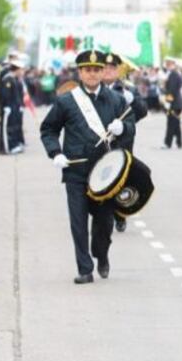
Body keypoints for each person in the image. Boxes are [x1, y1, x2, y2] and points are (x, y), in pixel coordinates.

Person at [39, 50, 136, 283]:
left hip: (105, 174)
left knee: (104, 223)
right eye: (87, 70)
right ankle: (85, 269)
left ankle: (101, 255)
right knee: (78, 223)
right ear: (80, 72)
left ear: (103, 71)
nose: (92, 74)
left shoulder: (116, 100)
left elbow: (130, 124)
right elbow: (48, 129)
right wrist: (56, 153)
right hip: (76, 172)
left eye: (96, 69)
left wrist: (123, 129)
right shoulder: (66, 101)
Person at [101, 53, 148, 233]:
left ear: (118, 70)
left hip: (123, 140)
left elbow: (142, 112)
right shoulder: (93, 89)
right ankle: (103, 214)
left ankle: (120, 215)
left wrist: (133, 100)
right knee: (102, 177)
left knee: (121, 178)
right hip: (102, 140)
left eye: (112, 68)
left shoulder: (127, 89)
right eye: (104, 68)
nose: (108, 71)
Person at [0, 58, 26, 154]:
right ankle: (7, 147)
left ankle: (13, 145)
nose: (22, 72)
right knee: (8, 128)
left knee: (13, 126)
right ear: (17, 69)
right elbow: (5, 94)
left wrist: (20, 105)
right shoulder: (8, 79)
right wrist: (6, 106)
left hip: (14, 107)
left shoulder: (14, 79)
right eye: (21, 70)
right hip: (9, 107)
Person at [162, 57, 182, 149]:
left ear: (173, 65)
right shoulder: (174, 74)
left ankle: (168, 143)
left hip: (174, 103)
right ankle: (179, 142)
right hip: (176, 102)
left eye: (169, 64)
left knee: (171, 123)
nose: (167, 66)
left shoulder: (173, 75)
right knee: (176, 124)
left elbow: (172, 89)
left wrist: (168, 101)